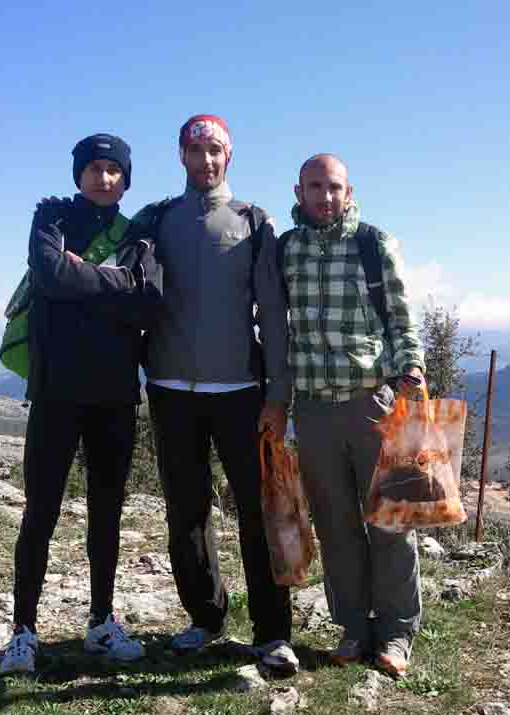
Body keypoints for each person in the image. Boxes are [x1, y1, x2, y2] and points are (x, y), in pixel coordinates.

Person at [139, 114, 298, 674]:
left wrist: (278, 394)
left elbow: (274, 318)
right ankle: (204, 619)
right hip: (170, 387)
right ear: (180, 155)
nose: (205, 161)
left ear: (228, 155)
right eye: (195, 150)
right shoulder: (158, 219)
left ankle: (273, 631)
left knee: (258, 511)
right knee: (186, 510)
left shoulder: (254, 221)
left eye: (215, 150)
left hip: (241, 392)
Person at [0, 134, 163, 674]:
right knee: (40, 511)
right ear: (78, 174)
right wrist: (114, 281)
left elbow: (148, 298)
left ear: (125, 178)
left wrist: (84, 279)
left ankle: (101, 621)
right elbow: (50, 273)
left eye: (114, 169)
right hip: (54, 392)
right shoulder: (51, 217)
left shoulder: (136, 232)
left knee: (107, 513)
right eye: (93, 168)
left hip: (115, 394)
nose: (103, 177)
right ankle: (23, 630)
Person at [279, 153, 426, 677]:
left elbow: (403, 316)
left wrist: (411, 366)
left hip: (372, 402)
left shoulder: (373, 243)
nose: (324, 196)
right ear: (298, 192)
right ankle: (353, 626)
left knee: (391, 521)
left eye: (334, 187)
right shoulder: (286, 250)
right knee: (336, 525)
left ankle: (397, 631)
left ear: (349, 190)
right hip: (313, 409)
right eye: (314, 186)